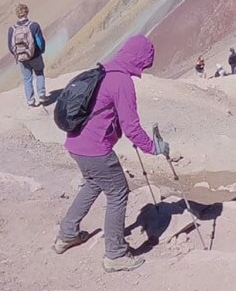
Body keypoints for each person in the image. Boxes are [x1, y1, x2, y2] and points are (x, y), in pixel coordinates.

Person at [54, 34, 169, 273]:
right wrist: (154, 148)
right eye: (145, 63)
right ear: (139, 59)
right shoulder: (122, 82)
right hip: (96, 149)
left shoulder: (104, 70)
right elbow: (131, 128)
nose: (144, 68)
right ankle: (115, 254)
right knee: (118, 192)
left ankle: (67, 234)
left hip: (75, 144)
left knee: (93, 184)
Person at [8, 4, 48, 106]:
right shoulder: (34, 25)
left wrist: (18, 55)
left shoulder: (12, 29)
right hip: (35, 55)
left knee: (27, 78)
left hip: (22, 58)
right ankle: (42, 95)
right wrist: (41, 51)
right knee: (39, 73)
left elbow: (10, 46)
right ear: (27, 12)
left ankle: (30, 100)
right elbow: (39, 41)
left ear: (17, 14)